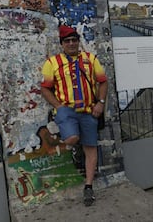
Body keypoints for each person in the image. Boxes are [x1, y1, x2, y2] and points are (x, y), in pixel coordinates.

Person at [41, 25, 108, 207]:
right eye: (67, 41)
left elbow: (102, 81)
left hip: (88, 111)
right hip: (67, 111)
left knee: (90, 148)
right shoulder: (52, 63)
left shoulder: (90, 59)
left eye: (74, 40)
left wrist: (100, 103)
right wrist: (58, 106)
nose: (71, 43)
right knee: (72, 138)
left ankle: (88, 186)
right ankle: (69, 142)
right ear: (62, 44)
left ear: (78, 41)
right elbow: (45, 88)